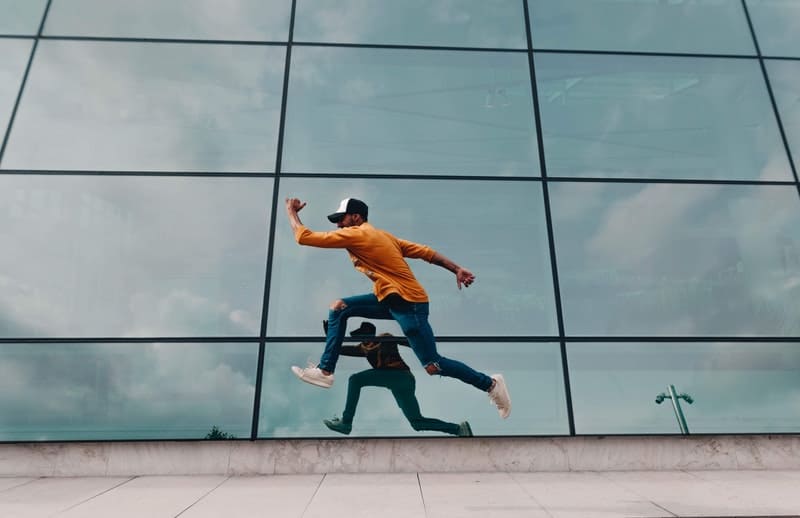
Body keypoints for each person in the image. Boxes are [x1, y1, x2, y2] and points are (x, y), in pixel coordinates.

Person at [285, 196, 511, 418]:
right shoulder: (384, 236)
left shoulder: (358, 233)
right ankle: (325, 371)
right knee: (339, 307)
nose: (338, 225)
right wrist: (456, 269)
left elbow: (304, 237)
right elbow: (425, 252)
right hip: (391, 299)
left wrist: (291, 212)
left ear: (356, 217)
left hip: (409, 303)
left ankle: (491, 385)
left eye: (341, 219)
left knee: (433, 365)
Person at [322, 320, 474, 437]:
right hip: (398, 383)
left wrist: (427, 353)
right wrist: (330, 336)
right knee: (417, 422)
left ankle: (346, 422)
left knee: (355, 380)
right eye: (361, 338)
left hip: (399, 376)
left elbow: (411, 343)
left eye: (364, 337)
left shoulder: (385, 339)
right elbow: (339, 350)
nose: (363, 341)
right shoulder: (363, 348)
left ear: (371, 334)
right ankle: (458, 429)